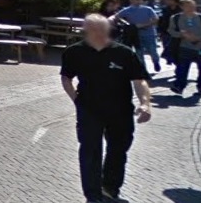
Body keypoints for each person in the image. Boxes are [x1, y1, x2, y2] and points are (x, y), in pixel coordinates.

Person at [60, 14, 152, 203]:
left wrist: (145, 103)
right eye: (93, 29)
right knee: (90, 151)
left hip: (121, 110)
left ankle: (110, 187)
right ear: (86, 31)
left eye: (101, 29)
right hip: (89, 110)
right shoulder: (74, 52)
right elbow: (66, 77)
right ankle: (92, 194)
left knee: (118, 149)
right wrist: (76, 99)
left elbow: (139, 80)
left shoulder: (124, 53)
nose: (98, 33)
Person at [168, 0, 201, 94]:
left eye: (192, 5)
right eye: (188, 6)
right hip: (184, 47)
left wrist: (198, 38)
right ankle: (179, 86)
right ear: (182, 7)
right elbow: (171, 31)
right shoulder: (176, 18)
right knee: (182, 68)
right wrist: (181, 34)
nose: (191, 8)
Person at [114, 0, 160, 72]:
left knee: (152, 50)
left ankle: (156, 62)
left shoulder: (148, 9)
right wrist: (126, 23)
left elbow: (155, 19)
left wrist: (144, 24)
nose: (138, 1)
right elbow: (117, 17)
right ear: (131, 0)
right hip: (136, 35)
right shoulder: (127, 10)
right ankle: (143, 69)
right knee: (139, 53)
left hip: (149, 33)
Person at [157, 0, 182, 65]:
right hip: (166, 32)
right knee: (167, 48)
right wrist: (160, 30)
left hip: (178, 33)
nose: (166, 1)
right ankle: (171, 60)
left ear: (173, 0)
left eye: (167, 0)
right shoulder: (165, 9)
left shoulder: (181, 9)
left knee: (177, 50)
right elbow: (161, 20)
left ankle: (177, 64)